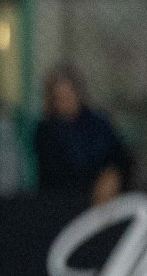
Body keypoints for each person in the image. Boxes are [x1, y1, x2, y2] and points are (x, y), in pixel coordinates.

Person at [34, 63, 132, 205]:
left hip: (107, 206)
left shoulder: (99, 123)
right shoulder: (46, 131)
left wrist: (112, 175)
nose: (65, 103)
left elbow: (122, 158)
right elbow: (55, 177)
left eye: (68, 95)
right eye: (59, 97)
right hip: (65, 206)